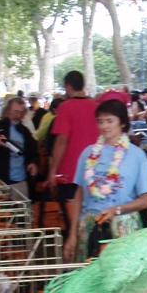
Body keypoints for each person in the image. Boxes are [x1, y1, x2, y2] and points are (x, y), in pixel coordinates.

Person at [63, 98, 147, 262]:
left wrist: (117, 210)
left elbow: (146, 201)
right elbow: (79, 196)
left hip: (124, 227)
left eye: (109, 121)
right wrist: (72, 234)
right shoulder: (88, 154)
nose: (104, 126)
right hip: (90, 227)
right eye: (100, 121)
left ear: (123, 123)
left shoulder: (137, 156)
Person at [48, 71, 99, 232]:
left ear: (68, 86)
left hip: (70, 172)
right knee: (93, 214)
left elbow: (62, 140)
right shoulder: (96, 107)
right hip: (95, 169)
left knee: (72, 217)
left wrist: (53, 170)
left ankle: (74, 247)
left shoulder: (65, 107)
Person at [0, 96, 39, 198]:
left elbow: (33, 152)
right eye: (15, 112)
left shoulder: (24, 131)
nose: (18, 115)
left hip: (20, 182)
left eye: (21, 112)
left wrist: (33, 163)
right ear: (7, 110)